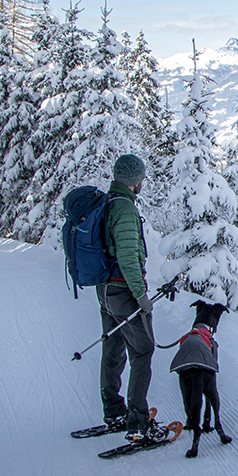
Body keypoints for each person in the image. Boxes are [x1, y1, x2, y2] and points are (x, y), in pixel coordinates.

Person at [98, 153, 155, 439]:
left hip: (105, 291)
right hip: (123, 291)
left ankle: (113, 411)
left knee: (113, 347)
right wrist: (141, 296)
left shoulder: (107, 202)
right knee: (143, 350)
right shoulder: (125, 210)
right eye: (141, 178)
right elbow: (128, 257)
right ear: (134, 181)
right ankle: (137, 422)